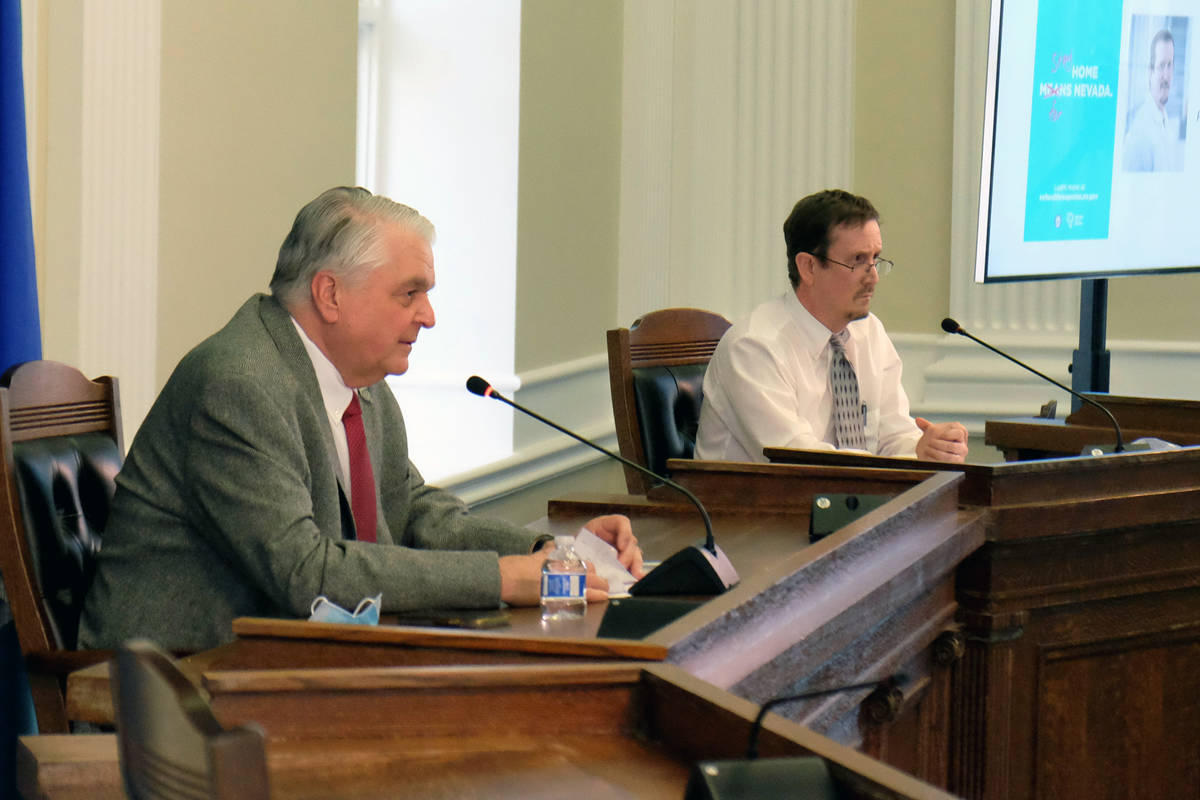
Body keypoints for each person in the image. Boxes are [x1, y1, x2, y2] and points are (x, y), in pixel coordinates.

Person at [79, 187, 643, 651]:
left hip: (290, 655)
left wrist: (553, 553)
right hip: (176, 685)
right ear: (330, 295)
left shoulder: (359, 383)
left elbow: (418, 513)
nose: (429, 316)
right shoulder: (238, 383)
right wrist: (501, 578)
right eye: (410, 293)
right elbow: (307, 574)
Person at [695, 189, 968, 464]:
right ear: (809, 267)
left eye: (876, 259)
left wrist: (926, 448)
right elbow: (798, 459)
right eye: (857, 261)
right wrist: (905, 460)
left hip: (847, 499)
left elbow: (892, 435)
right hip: (754, 504)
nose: (873, 276)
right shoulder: (754, 347)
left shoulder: (869, 332)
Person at [1124, 28, 1181, 172]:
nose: (1166, 75)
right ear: (1150, 71)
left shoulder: (1166, 122)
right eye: (1161, 66)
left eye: (1170, 65)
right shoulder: (1140, 129)